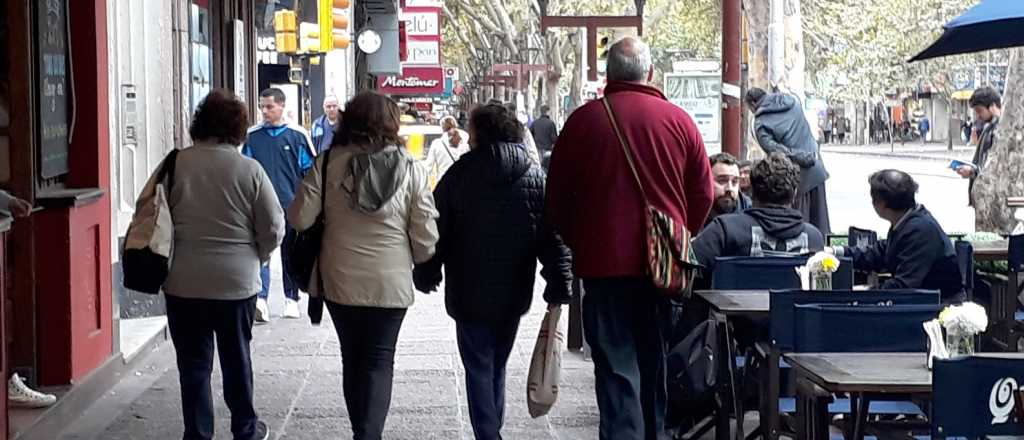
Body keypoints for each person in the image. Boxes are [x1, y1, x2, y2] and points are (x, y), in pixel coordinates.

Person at [546, 36, 714, 440]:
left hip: (603, 267)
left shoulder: (583, 122)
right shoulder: (679, 121)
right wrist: (675, 235)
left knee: (616, 366)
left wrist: (582, 240)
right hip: (662, 269)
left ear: (608, 75)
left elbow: (557, 200)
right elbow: (704, 193)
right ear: (650, 73)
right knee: (654, 359)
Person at [413, 103, 573, 440]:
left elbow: (436, 228)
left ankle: (488, 433)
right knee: (496, 362)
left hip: (468, 290)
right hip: (514, 290)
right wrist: (560, 279)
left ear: (479, 133)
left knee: (478, 366)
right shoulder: (534, 176)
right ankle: (492, 428)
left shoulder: (459, 174)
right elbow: (552, 234)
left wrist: (427, 271)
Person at [288, 91, 438, 440]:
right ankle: (368, 434)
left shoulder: (327, 164)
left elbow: (298, 218)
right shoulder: (411, 168)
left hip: (339, 280)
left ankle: (362, 431)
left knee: (351, 359)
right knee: (379, 361)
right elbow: (426, 237)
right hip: (390, 283)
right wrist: (424, 261)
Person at [162, 89, 284, 440]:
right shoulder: (250, 169)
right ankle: (245, 427)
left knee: (194, 365)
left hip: (183, 281)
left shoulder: (175, 164)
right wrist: (256, 255)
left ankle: (198, 432)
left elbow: (154, 216)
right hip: (236, 282)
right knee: (236, 358)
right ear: (239, 128)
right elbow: (274, 226)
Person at [827, 170, 964, 303]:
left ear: (881, 204)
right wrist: (836, 252)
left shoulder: (920, 230)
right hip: (921, 301)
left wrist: (866, 292)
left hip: (939, 307)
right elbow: (881, 252)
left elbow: (904, 285)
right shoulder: (907, 220)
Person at [242, 87, 315, 322]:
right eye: (262, 106)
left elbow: (309, 172)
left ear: (282, 106)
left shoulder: (297, 135)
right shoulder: (252, 136)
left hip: (290, 203)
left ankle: (291, 298)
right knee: (262, 250)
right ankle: (260, 299)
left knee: (289, 252)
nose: (264, 111)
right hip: (260, 204)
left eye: (269, 107)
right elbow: (245, 169)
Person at [693, 153, 824, 274]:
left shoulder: (724, 231)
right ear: (794, 193)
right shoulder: (814, 239)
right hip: (790, 300)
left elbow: (688, 270)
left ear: (752, 190)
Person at [745, 87, 831, 234]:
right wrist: (809, 156)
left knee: (798, 229)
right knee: (820, 224)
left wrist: (803, 158)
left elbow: (778, 153)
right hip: (816, 165)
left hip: (794, 177)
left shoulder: (760, 124)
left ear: (753, 105)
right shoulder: (792, 102)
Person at [956, 86, 1001, 205]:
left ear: (992, 107)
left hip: (994, 199)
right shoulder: (989, 128)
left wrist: (972, 172)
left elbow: (996, 167)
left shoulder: (1000, 130)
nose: (978, 116)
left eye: (979, 111)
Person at [704, 152, 752, 228]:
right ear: (706, 180)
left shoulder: (750, 210)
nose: (729, 188)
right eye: (722, 180)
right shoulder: (694, 211)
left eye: (734, 182)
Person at [423, 115, 470, 187]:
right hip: (462, 185)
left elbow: (428, 168)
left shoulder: (437, 144)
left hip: (444, 185)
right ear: (455, 125)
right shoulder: (465, 143)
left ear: (442, 128)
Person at [530, 105, 558, 170]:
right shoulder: (551, 123)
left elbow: (530, 135)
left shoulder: (535, 123)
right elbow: (554, 138)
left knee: (538, 167)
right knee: (547, 167)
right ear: (547, 112)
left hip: (537, 149)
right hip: (547, 149)